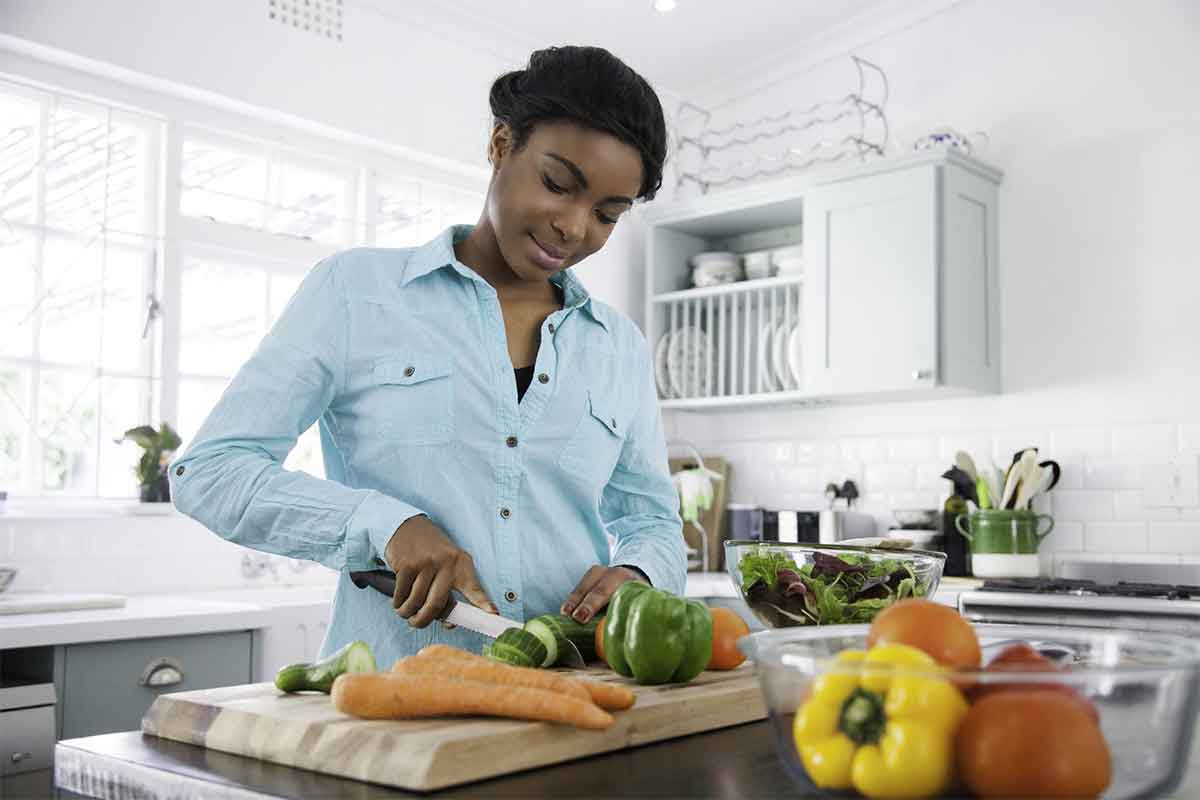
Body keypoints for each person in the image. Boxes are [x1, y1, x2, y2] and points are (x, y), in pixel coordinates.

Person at [169, 45, 685, 668]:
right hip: (396, 703)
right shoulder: (355, 293)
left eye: (606, 214)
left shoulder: (618, 346)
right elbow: (210, 471)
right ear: (501, 145)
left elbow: (653, 520)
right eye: (557, 184)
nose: (575, 227)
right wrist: (383, 525)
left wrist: (636, 572)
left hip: (575, 694)